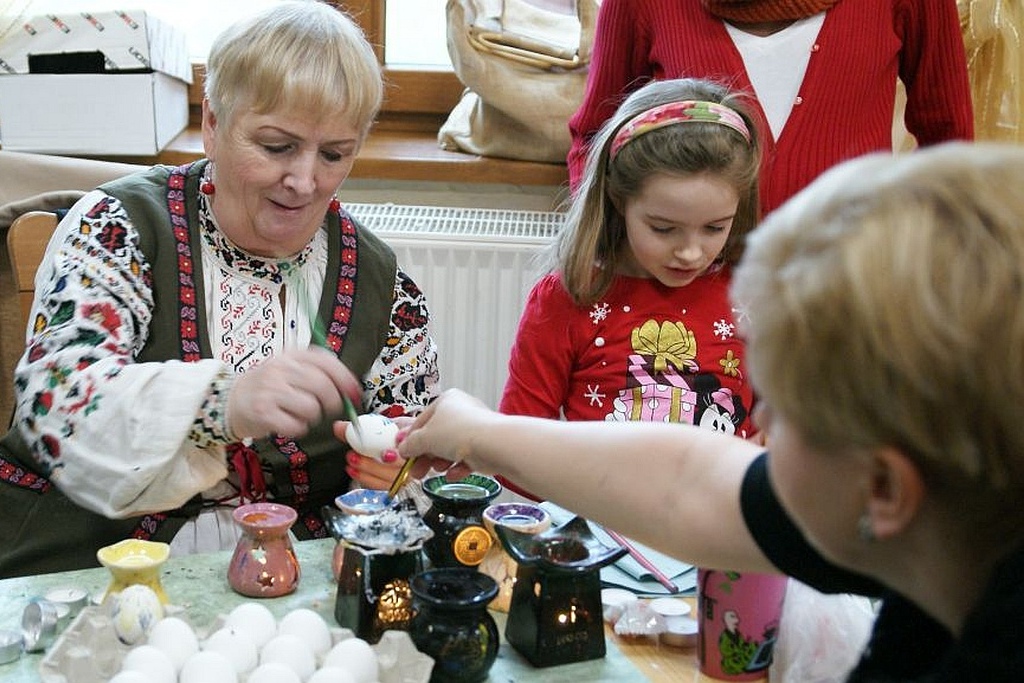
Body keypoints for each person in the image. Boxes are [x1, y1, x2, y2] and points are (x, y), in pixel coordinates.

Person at [397, 142, 1024, 680]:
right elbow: (688, 483)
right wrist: (482, 432)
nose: (762, 425)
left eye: (780, 405)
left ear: (883, 488)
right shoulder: (939, 530)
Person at [0, 1, 439, 578]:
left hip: (292, 579)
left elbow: (406, 449)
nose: (305, 182)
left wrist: (400, 469)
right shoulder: (116, 229)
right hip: (90, 564)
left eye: (334, 154)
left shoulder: (381, 283)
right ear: (212, 123)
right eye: (277, 146)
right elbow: (58, 402)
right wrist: (221, 402)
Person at [499, 78, 761, 498]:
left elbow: (782, 423)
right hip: (606, 533)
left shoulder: (750, 293)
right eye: (663, 228)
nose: (691, 252)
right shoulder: (568, 298)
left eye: (715, 227)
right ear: (619, 201)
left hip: (719, 532)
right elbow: (513, 455)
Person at [566, 0, 975, 215]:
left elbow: (949, 141)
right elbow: (596, 139)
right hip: (689, 304)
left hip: (852, 293)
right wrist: (605, 253)